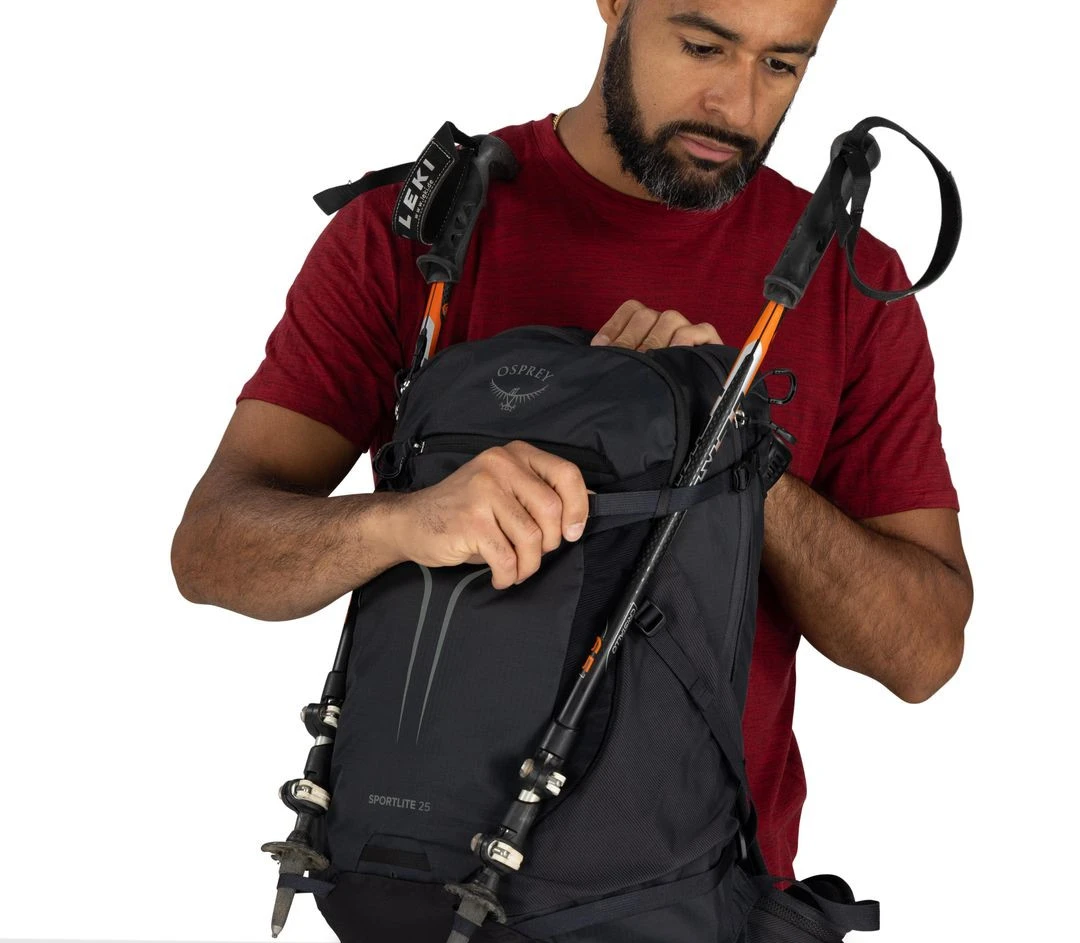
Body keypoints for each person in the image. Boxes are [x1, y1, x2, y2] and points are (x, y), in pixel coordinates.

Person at [171, 0, 973, 880]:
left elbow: (923, 653)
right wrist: (401, 523)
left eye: (782, 65)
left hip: (691, 916)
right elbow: (211, 549)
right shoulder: (411, 235)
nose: (738, 107)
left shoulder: (851, 281)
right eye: (702, 46)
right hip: (405, 888)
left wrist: (735, 450)